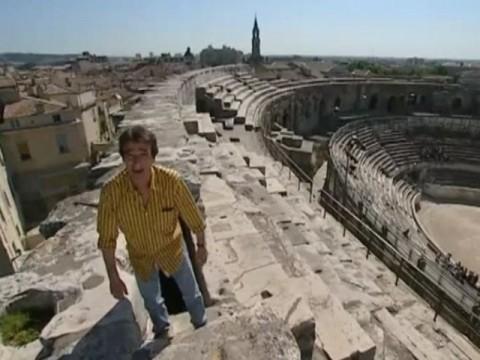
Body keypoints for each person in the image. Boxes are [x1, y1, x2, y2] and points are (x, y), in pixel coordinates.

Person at [97, 125, 208, 339]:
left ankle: (201, 325)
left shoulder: (171, 182)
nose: (137, 163)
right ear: (122, 158)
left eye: (143, 154)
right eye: (130, 156)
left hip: (173, 250)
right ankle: (162, 331)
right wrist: (113, 276)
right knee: (152, 301)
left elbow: (194, 218)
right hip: (141, 256)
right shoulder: (111, 192)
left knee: (191, 294)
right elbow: (107, 239)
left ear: (153, 157)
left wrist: (201, 246)